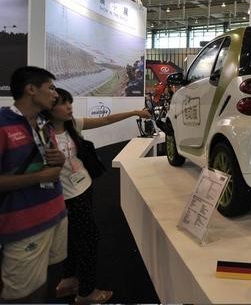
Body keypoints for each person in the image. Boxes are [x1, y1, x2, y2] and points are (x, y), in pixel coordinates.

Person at [48, 88, 151, 304]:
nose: (69, 107)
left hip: (83, 188)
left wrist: (134, 112)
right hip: (65, 198)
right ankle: (86, 293)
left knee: (73, 238)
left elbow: (106, 119)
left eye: (70, 102)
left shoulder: (72, 125)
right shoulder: (40, 136)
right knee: (87, 240)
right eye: (63, 103)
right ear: (49, 107)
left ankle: (69, 280)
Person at [0, 66, 67, 302]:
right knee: (24, 293)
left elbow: (50, 164)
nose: (55, 95)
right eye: (51, 88)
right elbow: (39, 175)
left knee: (52, 277)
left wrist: (60, 159)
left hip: (56, 214)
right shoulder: (2, 123)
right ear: (31, 89)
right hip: (23, 226)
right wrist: (38, 178)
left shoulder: (44, 124)